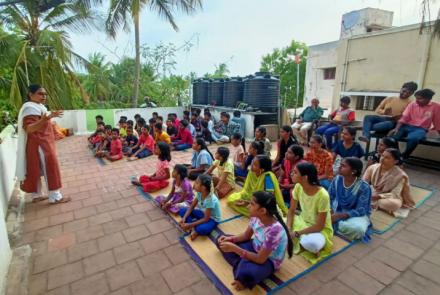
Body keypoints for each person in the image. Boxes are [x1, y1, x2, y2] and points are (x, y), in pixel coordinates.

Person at [217, 191, 292, 291]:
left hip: (267, 260)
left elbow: (261, 259)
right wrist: (231, 239)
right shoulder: (256, 217)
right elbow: (246, 236)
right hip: (254, 246)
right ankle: (243, 263)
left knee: (247, 275)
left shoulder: (275, 230)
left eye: (252, 204)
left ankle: (243, 267)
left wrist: (235, 249)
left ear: (262, 211)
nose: (248, 206)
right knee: (221, 240)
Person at [16, 84, 70, 204]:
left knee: (35, 168)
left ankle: (37, 196)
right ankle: (55, 197)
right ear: (31, 94)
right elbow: (29, 128)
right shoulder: (30, 108)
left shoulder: (36, 106)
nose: (44, 96)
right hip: (40, 143)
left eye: (45, 94)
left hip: (39, 142)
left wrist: (49, 119)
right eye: (40, 93)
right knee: (50, 167)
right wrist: (46, 119)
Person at [287, 163, 333, 264]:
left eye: (295, 172)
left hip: (318, 230)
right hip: (302, 221)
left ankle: (300, 242)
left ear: (305, 177)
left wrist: (296, 233)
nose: (291, 174)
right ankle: (296, 240)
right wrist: (288, 228)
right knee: (279, 224)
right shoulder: (298, 187)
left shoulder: (323, 195)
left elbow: (319, 226)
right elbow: (291, 210)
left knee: (312, 243)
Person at [328, 158, 372, 241]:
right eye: (340, 165)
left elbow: (361, 209)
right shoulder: (337, 180)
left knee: (358, 229)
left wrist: (340, 215)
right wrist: (330, 210)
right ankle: (329, 222)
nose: (339, 167)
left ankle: (330, 224)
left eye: (343, 166)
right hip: (335, 209)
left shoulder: (364, 187)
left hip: (354, 215)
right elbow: (329, 197)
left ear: (353, 171)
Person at [388, 89, 440, 159]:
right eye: (416, 98)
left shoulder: (436, 106)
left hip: (421, 129)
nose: (417, 100)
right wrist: (396, 128)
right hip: (406, 126)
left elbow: (437, 122)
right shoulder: (412, 104)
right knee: (392, 137)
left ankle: (403, 157)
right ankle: (397, 156)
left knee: (414, 139)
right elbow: (404, 118)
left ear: (428, 98)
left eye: (420, 99)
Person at [363, 148, 415, 216]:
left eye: (387, 158)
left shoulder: (400, 175)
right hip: (373, 192)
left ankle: (371, 202)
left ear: (395, 161)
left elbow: (395, 194)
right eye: (382, 156)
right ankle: (370, 201)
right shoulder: (373, 167)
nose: (382, 159)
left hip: (388, 197)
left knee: (395, 204)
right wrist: (365, 192)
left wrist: (379, 196)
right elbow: (363, 183)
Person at [179, 174, 221, 240]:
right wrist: (184, 218)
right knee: (182, 210)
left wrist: (190, 225)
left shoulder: (210, 199)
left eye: (197, 182)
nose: (194, 184)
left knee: (202, 229)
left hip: (212, 219)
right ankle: (190, 226)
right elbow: (191, 206)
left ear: (203, 187)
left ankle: (192, 228)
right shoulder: (199, 193)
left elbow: (206, 219)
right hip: (203, 213)